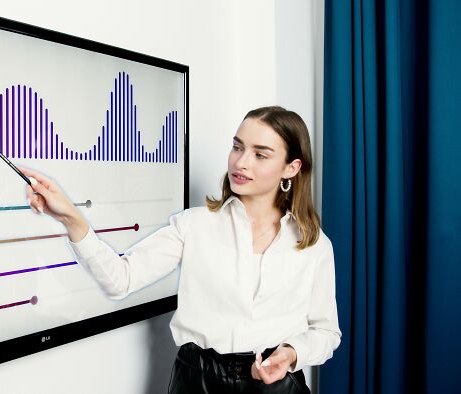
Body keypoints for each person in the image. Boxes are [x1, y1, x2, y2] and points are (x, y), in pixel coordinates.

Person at [21, 106, 341, 393]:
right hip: (197, 382)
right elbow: (120, 280)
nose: (241, 162)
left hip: (277, 388)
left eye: (261, 154)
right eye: (237, 146)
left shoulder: (314, 246)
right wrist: (71, 218)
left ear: (291, 168)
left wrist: (291, 353)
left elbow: (326, 332)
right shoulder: (194, 225)